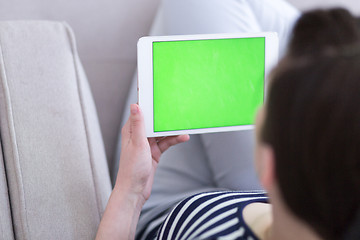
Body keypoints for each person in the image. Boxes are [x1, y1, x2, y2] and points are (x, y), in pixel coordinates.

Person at [96, 8, 360, 240]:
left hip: (166, 212)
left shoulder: (206, 229)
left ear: (268, 166)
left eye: (264, 108)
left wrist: (130, 192)